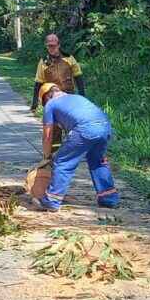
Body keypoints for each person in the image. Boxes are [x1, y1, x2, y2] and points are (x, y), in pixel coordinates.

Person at [34, 83, 120, 212]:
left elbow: (47, 135)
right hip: (104, 127)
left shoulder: (51, 104)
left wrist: (47, 157)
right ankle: (109, 198)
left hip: (84, 129)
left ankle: (52, 200)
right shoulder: (77, 97)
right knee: (98, 162)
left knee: (62, 161)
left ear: (46, 97)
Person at [31, 34, 85, 153]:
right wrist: (35, 102)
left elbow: (78, 76)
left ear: (59, 45)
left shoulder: (69, 58)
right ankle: (53, 154)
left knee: (72, 126)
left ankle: (73, 152)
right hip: (52, 100)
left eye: (54, 45)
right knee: (54, 128)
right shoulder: (43, 62)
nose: (52, 48)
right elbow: (38, 82)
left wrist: (82, 95)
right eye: (49, 46)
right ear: (46, 46)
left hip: (69, 97)